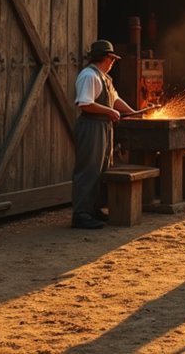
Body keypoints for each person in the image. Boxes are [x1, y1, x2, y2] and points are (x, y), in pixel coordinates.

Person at [71, 40, 136, 229]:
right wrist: (109, 112)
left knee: (102, 169)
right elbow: (84, 103)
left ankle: (93, 209)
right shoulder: (89, 76)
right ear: (105, 58)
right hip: (91, 127)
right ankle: (81, 214)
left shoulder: (105, 78)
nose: (113, 62)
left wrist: (133, 113)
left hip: (103, 127)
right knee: (88, 170)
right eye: (112, 58)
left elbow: (114, 100)